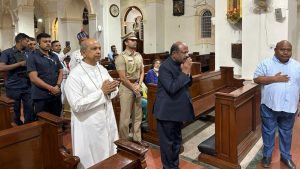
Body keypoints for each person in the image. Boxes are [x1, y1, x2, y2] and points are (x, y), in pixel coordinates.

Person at [64, 38, 119, 169]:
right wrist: (102, 93)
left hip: (107, 120)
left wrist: (111, 90)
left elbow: (113, 89)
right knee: (93, 159)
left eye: (99, 48)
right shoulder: (75, 75)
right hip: (89, 125)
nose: (99, 51)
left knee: (110, 154)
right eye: (94, 49)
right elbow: (76, 105)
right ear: (83, 53)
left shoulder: (102, 69)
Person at [254, 40, 298, 169]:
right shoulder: (266, 63)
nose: (286, 52)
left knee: (286, 133)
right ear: (275, 50)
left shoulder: (297, 66)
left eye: (288, 50)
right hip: (269, 106)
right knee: (268, 132)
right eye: (282, 49)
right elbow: (256, 78)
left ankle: (286, 157)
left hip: (289, 107)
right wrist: (274, 78)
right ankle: (267, 156)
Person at [154, 41, 194, 169]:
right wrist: (185, 71)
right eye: (184, 52)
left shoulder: (181, 64)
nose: (187, 55)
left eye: (187, 52)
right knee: (167, 146)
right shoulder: (165, 67)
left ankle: (174, 167)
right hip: (166, 113)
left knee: (176, 143)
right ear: (174, 53)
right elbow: (172, 88)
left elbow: (188, 83)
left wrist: (187, 72)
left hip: (177, 112)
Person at [115, 32, 144, 142]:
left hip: (137, 85)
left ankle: (137, 139)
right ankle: (124, 141)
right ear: (126, 42)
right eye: (132, 40)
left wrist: (139, 85)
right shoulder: (121, 57)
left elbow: (142, 72)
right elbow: (122, 77)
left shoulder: (138, 55)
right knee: (125, 117)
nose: (135, 42)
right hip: (126, 87)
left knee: (137, 115)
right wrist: (133, 87)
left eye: (135, 40)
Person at [0, 33, 34, 125]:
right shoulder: (7, 52)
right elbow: (1, 68)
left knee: (30, 108)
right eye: (26, 41)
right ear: (20, 40)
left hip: (28, 84)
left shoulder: (29, 52)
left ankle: (29, 127)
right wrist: (19, 64)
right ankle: (17, 129)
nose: (28, 43)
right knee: (15, 109)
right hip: (13, 85)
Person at [27, 33, 63, 118]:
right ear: (39, 43)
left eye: (49, 41)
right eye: (45, 41)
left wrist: (57, 86)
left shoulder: (54, 55)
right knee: (44, 121)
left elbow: (61, 71)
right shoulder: (32, 57)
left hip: (56, 94)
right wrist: (51, 88)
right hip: (41, 95)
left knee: (56, 118)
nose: (48, 43)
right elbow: (33, 78)